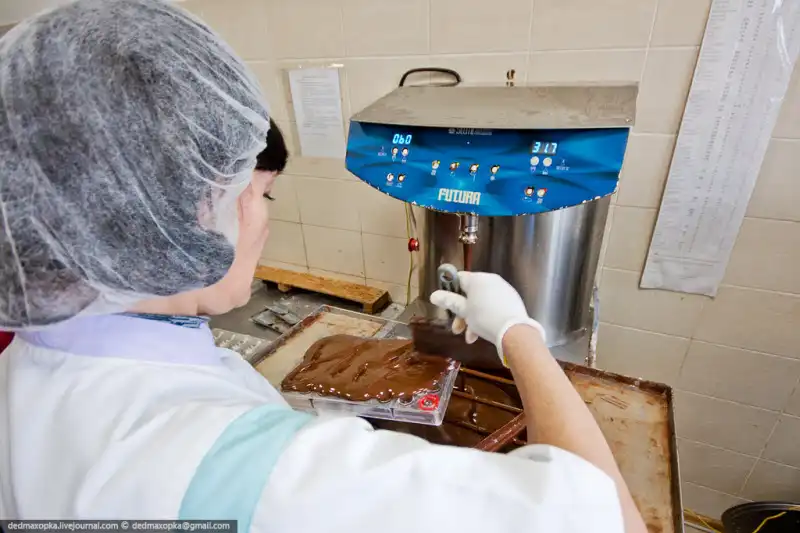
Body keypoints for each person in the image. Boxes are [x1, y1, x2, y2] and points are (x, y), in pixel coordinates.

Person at [0, 1, 647, 532]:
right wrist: (520, 334)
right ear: (197, 207)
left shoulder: (24, 366)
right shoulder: (263, 475)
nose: (265, 219)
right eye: (261, 192)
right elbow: (609, 518)